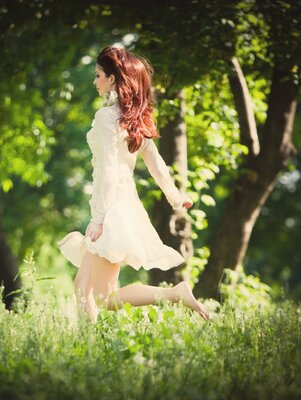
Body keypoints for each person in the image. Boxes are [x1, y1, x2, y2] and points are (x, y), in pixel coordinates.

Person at [57, 46, 209, 323]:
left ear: (113, 79)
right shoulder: (132, 120)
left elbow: (109, 172)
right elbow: (156, 163)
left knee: (106, 298)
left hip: (111, 208)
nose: (95, 81)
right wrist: (175, 197)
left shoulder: (106, 118)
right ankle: (87, 350)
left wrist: (100, 219)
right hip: (122, 203)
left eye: (99, 75)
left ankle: (175, 293)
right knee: (82, 287)